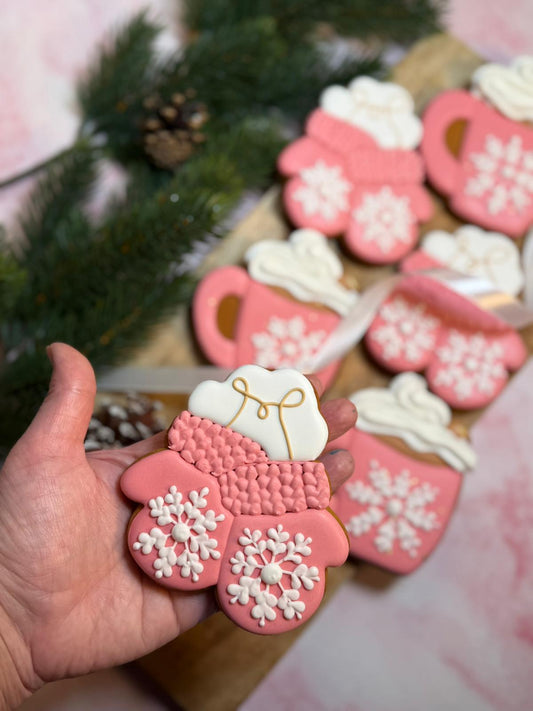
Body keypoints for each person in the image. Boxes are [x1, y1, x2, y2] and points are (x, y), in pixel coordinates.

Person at [0, 343, 356, 709]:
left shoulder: (291, 498)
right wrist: (10, 615)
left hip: (261, 554)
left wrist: (11, 630)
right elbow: (137, 480)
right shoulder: (189, 459)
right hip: (177, 529)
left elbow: (138, 479)